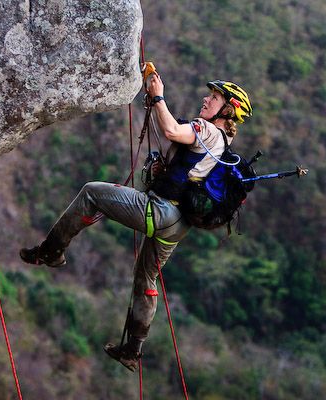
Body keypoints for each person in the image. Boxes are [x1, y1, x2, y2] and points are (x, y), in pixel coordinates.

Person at [19, 74, 252, 371]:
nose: (206, 99)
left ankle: (51, 251)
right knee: (146, 280)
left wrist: (158, 96)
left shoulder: (206, 130)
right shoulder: (222, 146)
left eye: (214, 98)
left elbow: (170, 130)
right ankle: (132, 350)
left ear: (227, 111)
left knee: (92, 192)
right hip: (179, 225)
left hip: (161, 211)